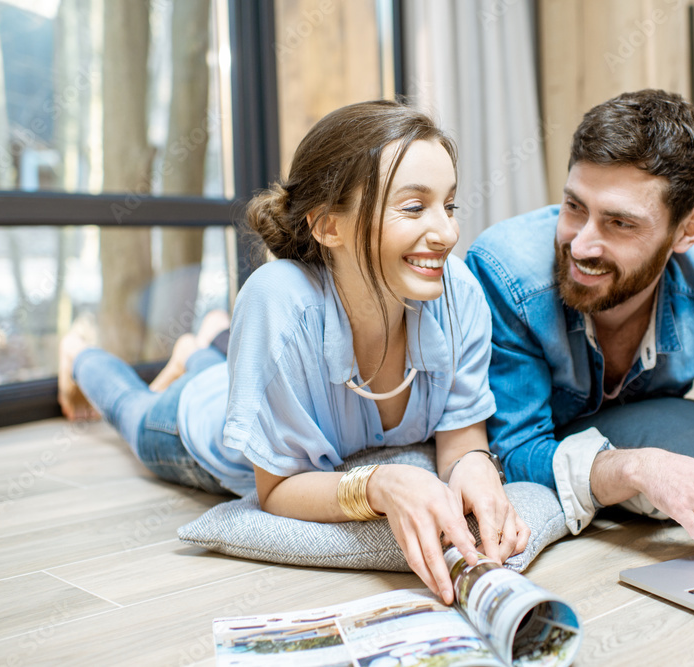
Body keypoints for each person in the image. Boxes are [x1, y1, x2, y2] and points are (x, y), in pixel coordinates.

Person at [58, 100, 529, 604]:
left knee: (217, 359)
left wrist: (476, 470)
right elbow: (276, 491)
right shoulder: (275, 299)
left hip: (263, 371)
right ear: (328, 225)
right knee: (130, 409)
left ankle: (199, 346)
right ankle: (79, 357)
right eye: (414, 208)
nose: (449, 233)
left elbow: (462, 439)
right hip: (200, 419)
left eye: (449, 205)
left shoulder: (458, 293)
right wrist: (376, 486)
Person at [465, 89, 694, 561]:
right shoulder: (505, 274)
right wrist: (638, 470)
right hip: (552, 441)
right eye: (574, 207)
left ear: (687, 229)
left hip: (635, 425)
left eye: (620, 223)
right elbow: (513, 450)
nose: (582, 245)